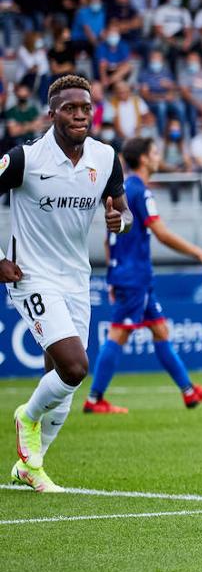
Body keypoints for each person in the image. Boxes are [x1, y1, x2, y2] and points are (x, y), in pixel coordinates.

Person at [5, 75, 132, 493]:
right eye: (69, 108)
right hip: (32, 275)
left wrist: (120, 220)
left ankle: (31, 466)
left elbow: (123, 211)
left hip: (77, 278)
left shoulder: (107, 157)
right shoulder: (26, 159)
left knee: (63, 386)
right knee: (76, 368)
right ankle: (26, 418)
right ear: (51, 112)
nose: (80, 115)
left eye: (86, 108)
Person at [86, 137, 202, 415]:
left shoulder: (124, 190)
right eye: (156, 151)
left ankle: (188, 391)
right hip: (133, 275)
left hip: (131, 274)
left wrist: (113, 273)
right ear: (146, 159)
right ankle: (94, 398)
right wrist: (201, 254)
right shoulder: (141, 193)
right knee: (119, 333)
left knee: (160, 330)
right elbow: (160, 233)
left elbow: (107, 239)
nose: (159, 156)